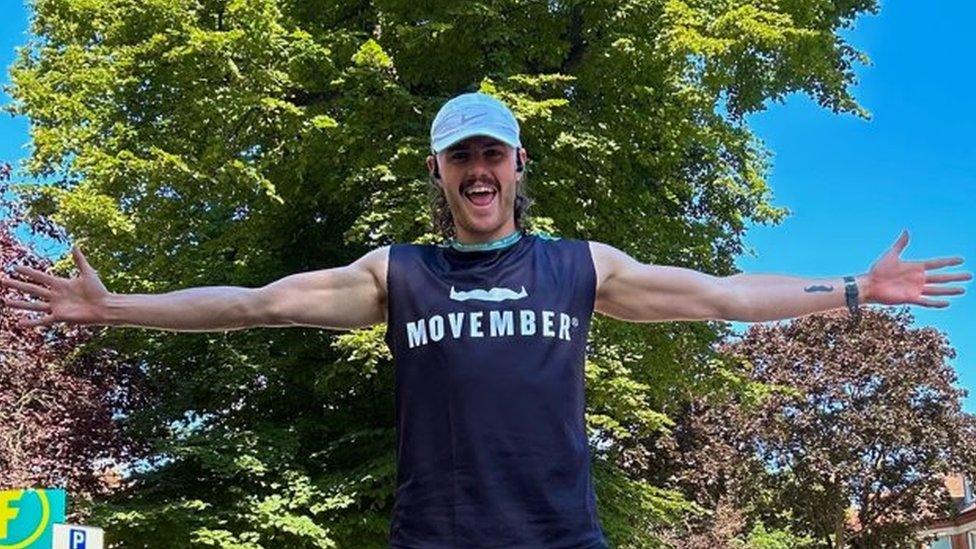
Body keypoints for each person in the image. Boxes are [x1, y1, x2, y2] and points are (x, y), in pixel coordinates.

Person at [0, 92, 971, 548]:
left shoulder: (578, 268)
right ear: (437, 171)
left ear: (516, 166)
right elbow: (254, 306)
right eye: (459, 156)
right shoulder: (397, 274)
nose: (477, 171)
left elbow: (718, 293)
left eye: (492, 155)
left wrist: (855, 288)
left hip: (560, 538)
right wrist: (111, 303)